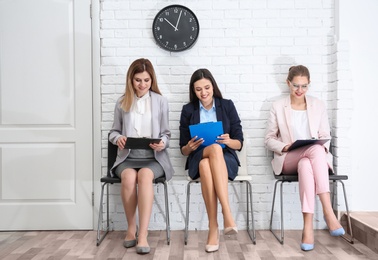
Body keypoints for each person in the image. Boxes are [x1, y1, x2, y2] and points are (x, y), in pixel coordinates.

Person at [265, 65, 345, 251]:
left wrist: (317, 145)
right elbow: (269, 139)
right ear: (288, 83)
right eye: (295, 86)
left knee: (307, 162)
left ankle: (307, 227)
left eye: (304, 86)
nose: (300, 90)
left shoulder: (318, 105)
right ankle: (328, 212)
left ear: (309, 85)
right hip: (287, 158)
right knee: (313, 153)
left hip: (310, 161)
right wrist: (284, 146)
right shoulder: (278, 106)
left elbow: (325, 135)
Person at [109, 58, 174, 254]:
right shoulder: (122, 102)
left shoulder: (161, 102)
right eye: (138, 80)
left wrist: (163, 142)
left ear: (152, 79)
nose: (142, 85)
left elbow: (166, 133)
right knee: (129, 177)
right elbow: (113, 132)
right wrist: (118, 138)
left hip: (153, 157)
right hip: (127, 156)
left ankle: (143, 234)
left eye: (146, 80)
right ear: (131, 80)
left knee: (145, 176)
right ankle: (131, 228)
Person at [179, 68, 243, 253]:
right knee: (210, 152)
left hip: (225, 159)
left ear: (213, 86)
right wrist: (189, 147)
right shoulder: (188, 110)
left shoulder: (227, 105)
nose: (203, 93)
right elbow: (182, 149)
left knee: (207, 163)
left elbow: (239, 143)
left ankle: (213, 228)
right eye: (198, 89)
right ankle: (227, 214)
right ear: (194, 91)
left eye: (207, 87)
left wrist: (229, 141)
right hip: (197, 155)